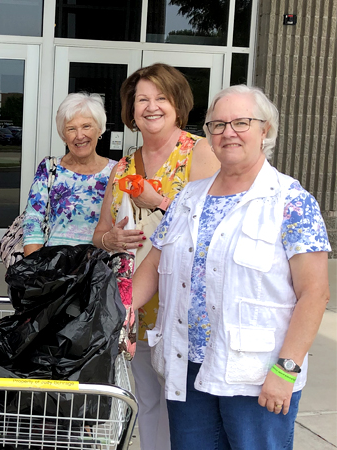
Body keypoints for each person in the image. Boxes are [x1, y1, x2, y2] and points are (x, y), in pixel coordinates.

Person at [131, 85, 330, 449]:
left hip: (254, 375)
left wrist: (285, 370)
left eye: (241, 122)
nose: (228, 132)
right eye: (218, 125)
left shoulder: (292, 202)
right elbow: (155, 263)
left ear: (264, 130)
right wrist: (124, 308)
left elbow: (314, 293)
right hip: (187, 368)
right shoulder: (188, 197)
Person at [92, 63, 219, 450]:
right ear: (131, 112)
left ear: (178, 105)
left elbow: (211, 231)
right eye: (141, 99)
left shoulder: (200, 153)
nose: (151, 107)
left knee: (188, 407)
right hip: (135, 304)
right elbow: (97, 234)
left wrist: (160, 202)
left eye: (160, 98)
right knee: (146, 400)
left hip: (183, 306)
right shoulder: (122, 168)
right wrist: (110, 238)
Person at [23, 92, 117, 256]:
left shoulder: (117, 172)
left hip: (101, 268)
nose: (80, 136)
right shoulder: (49, 168)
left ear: (100, 129)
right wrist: (36, 269)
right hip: (55, 267)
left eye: (86, 126)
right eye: (71, 129)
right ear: (63, 135)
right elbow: (33, 220)